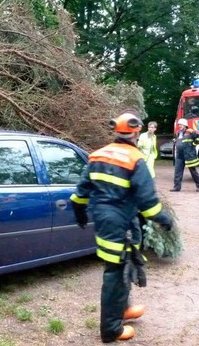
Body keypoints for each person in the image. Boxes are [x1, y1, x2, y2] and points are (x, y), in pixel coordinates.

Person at [71, 112, 173, 342]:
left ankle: (122, 310)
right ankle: (110, 329)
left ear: (115, 131)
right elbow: (148, 204)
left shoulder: (98, 155)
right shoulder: (135, 159)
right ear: (136, 133)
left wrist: (80, 215)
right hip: (121, 225)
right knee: (115, 273)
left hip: (106, 222)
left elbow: (79, 195)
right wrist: (165, 220)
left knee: (124, 265)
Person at [171, 118, 199, 192]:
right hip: (179, 155)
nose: (179, 126)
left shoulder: (190, 131)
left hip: (188, 155)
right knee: (177, 171)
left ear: (185, 125)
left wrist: (194, 144)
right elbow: (176, 141)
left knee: (193, 171)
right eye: (179, 125)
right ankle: (176, 187)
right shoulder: (178, 133)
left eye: (181, 124)